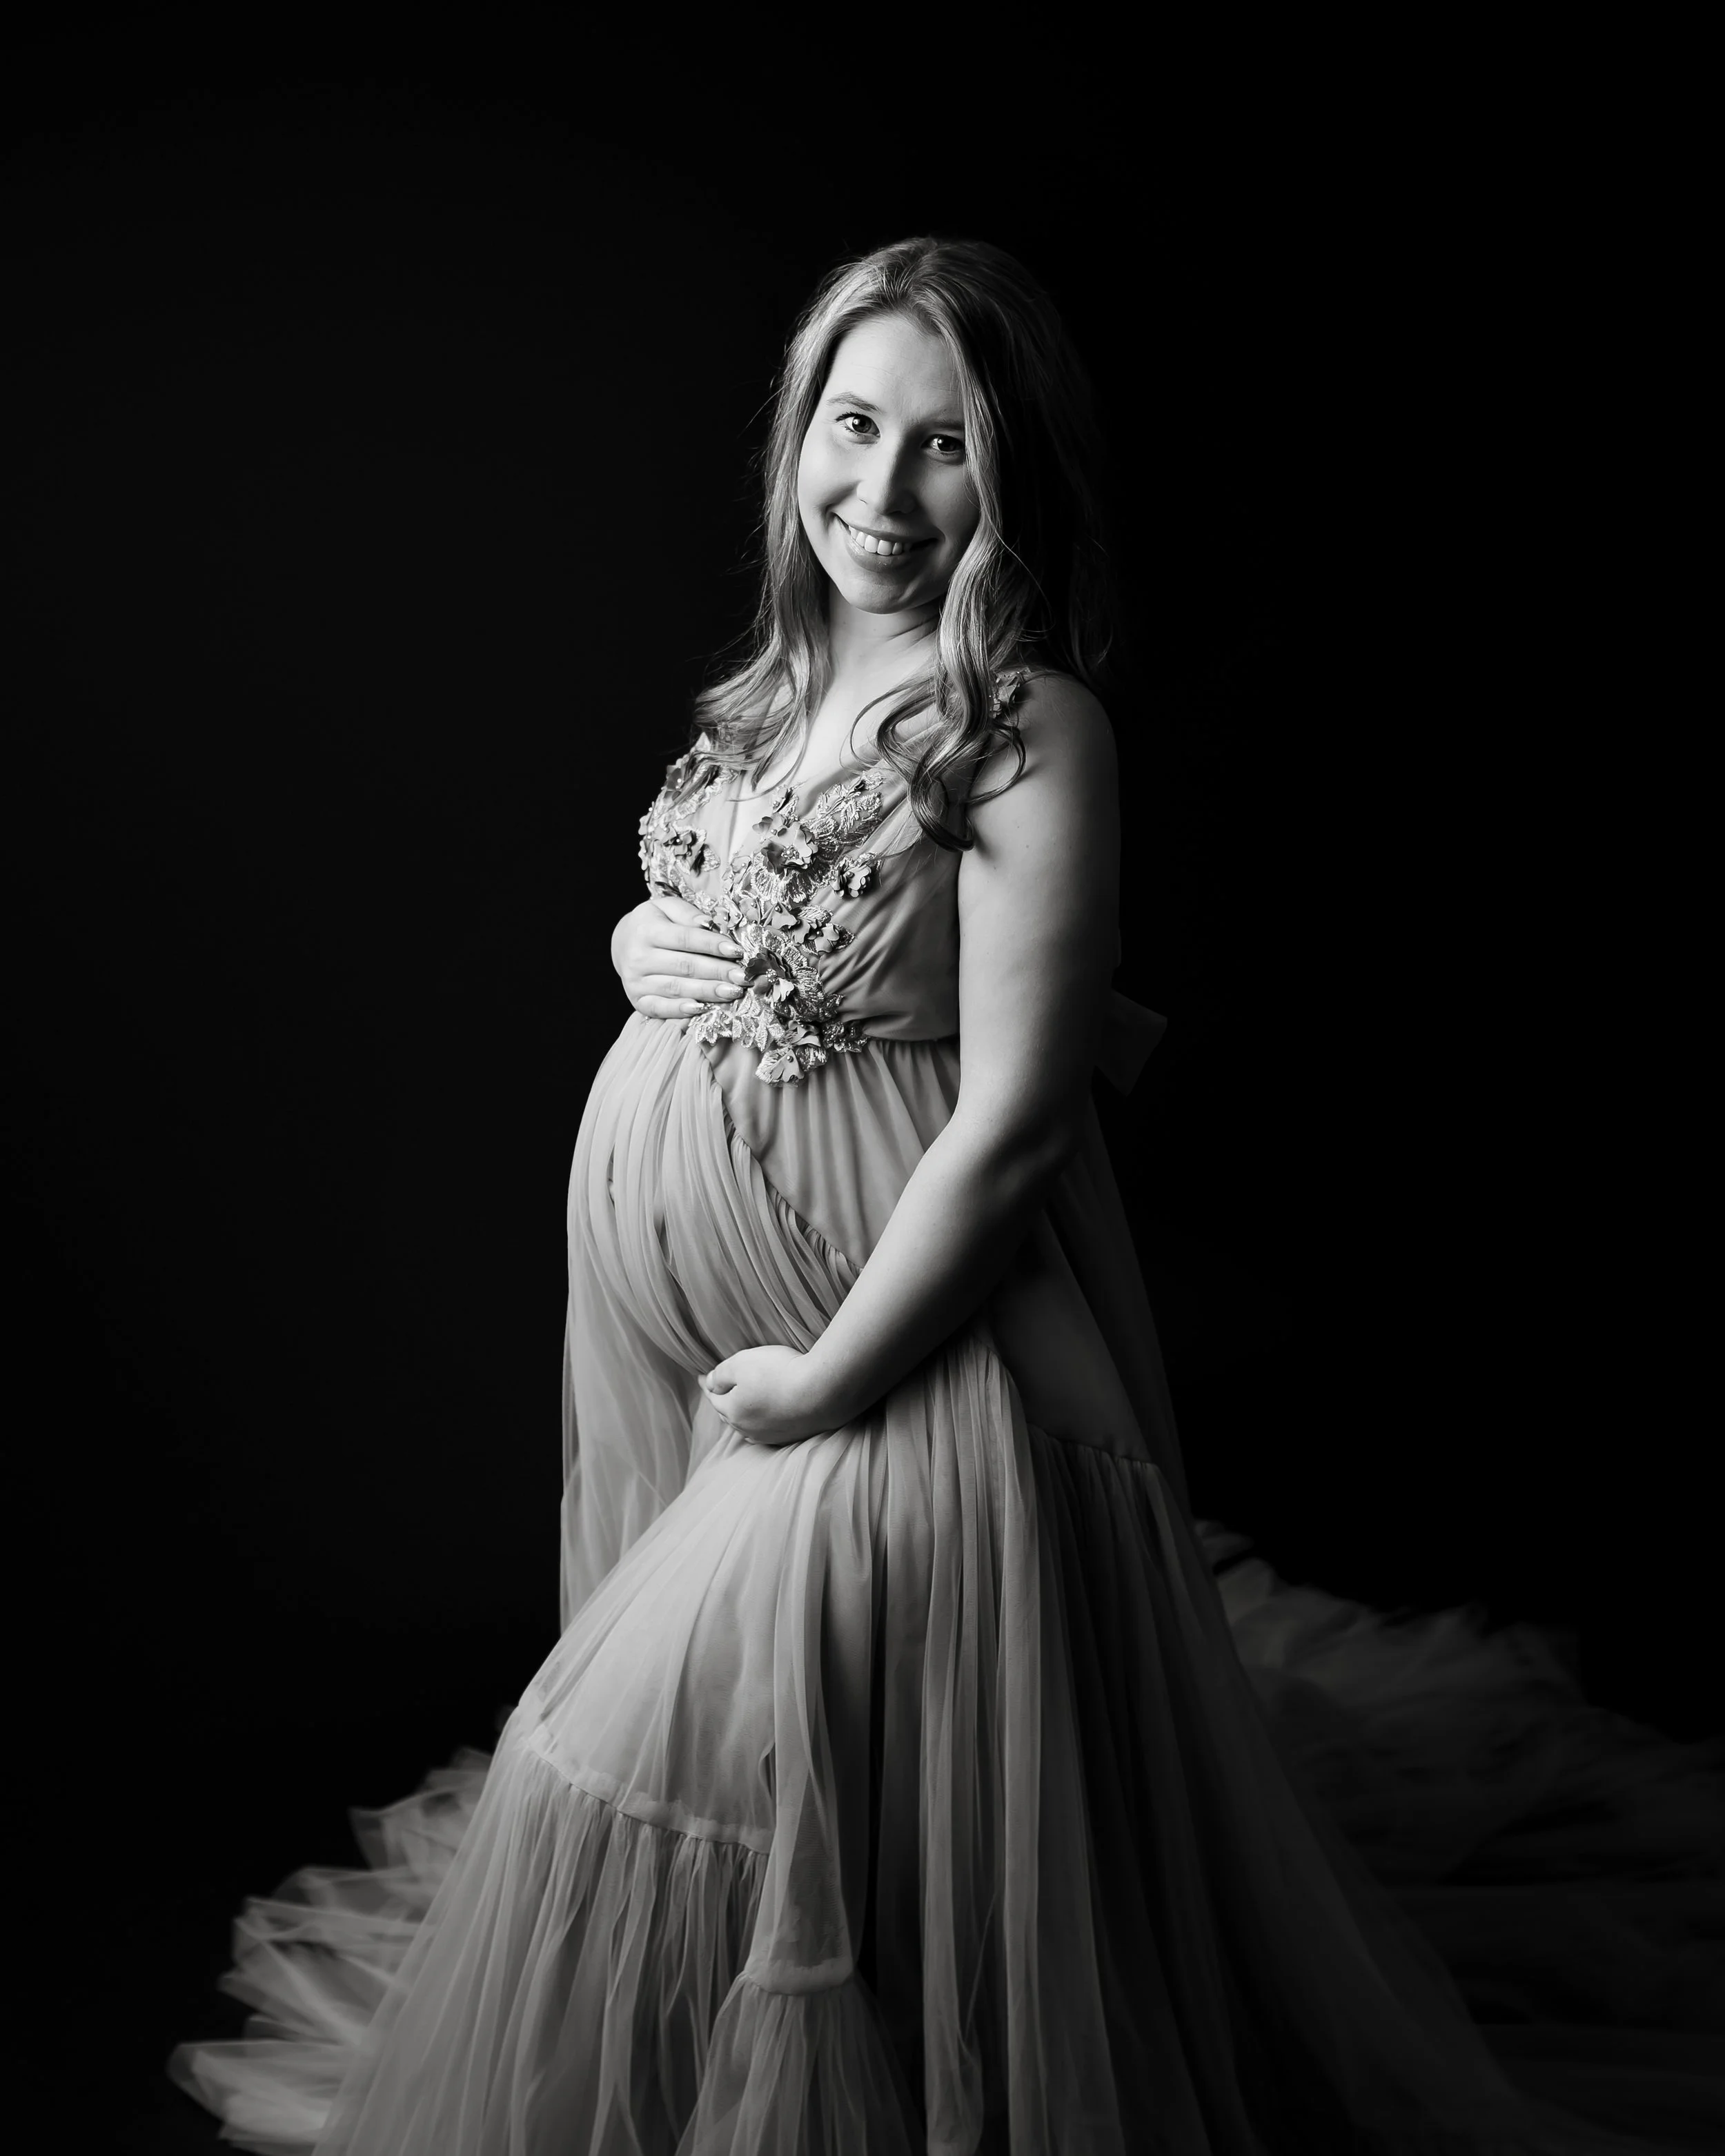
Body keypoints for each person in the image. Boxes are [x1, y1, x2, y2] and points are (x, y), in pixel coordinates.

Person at [172, 237, 1724, 2154]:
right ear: (792, 441)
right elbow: (764, 927)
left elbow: (1006, 1118)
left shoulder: (1025, 730)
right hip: (689, 1345)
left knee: (739, 1774)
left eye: (948, 448)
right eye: (852, 427)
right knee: (754, 1776)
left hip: (894, 1344)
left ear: (1017, 478)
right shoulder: (768, 697)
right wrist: (634, 935)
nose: (883, 495)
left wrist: (831, 1380)